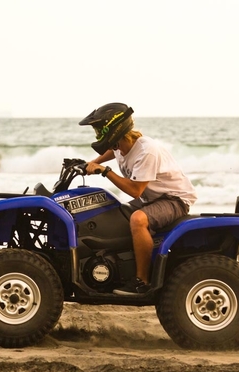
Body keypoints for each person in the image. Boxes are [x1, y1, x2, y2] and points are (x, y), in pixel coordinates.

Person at [79, 102, 197, 295]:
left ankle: (142, 281)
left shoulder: (146, 151)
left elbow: (135, 191)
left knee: (138, 219)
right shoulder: (120, 145)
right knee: (113, 212)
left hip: (174, 199)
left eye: (99, 130)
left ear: (113, 129)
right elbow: (114, 152)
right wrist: (90, 163)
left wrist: (105, 171)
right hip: (153, 198)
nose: (97, 135)